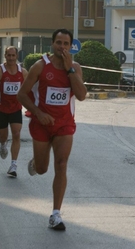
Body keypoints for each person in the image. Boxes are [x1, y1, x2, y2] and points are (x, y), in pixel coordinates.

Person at [17, 29, 87, 231]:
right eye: (59, 43)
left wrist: (70, 70)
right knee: (42, 169)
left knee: (62, 164)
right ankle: (37, 162)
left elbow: (81, 96)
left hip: (64, 124)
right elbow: (22, 95)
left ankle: (56, 214)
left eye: (66, 44)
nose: (62, 47)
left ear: (71, 46)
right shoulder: (40, 66)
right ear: (52, 44)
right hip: (41, 123)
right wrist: (38, 113)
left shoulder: (75, 68)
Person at [0, 46, 28, 178]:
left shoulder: (23, 72)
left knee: (16, 134)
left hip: (16, 108)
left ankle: (13, 165)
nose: (11, 58)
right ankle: (3, 144)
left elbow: (27, 89)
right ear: (5, 56)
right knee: (3, 136)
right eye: (8, 55)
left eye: (13, 56)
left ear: (17, 56)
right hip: (1, 108)